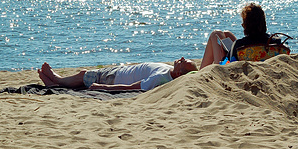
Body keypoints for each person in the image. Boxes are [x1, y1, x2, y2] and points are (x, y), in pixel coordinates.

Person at [38, 57, 198, 92]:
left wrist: (103, 87)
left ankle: (58, 80)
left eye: (184, 61)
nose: (182, 58)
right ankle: (54, 84)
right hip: (119, 73)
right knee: (83, 81)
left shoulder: (160, 78)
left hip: (115, 77)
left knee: (85, 75)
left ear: (179, 72)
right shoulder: (169, 72)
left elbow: (133, 87)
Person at [200, 3, 277, 69]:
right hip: (263, 54)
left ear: (245, 25)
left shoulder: (239, 45)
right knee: (227, 34)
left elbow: (227, 63)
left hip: (232, 70)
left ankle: (201, 73)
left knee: (216, 34)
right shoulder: (275, 42)